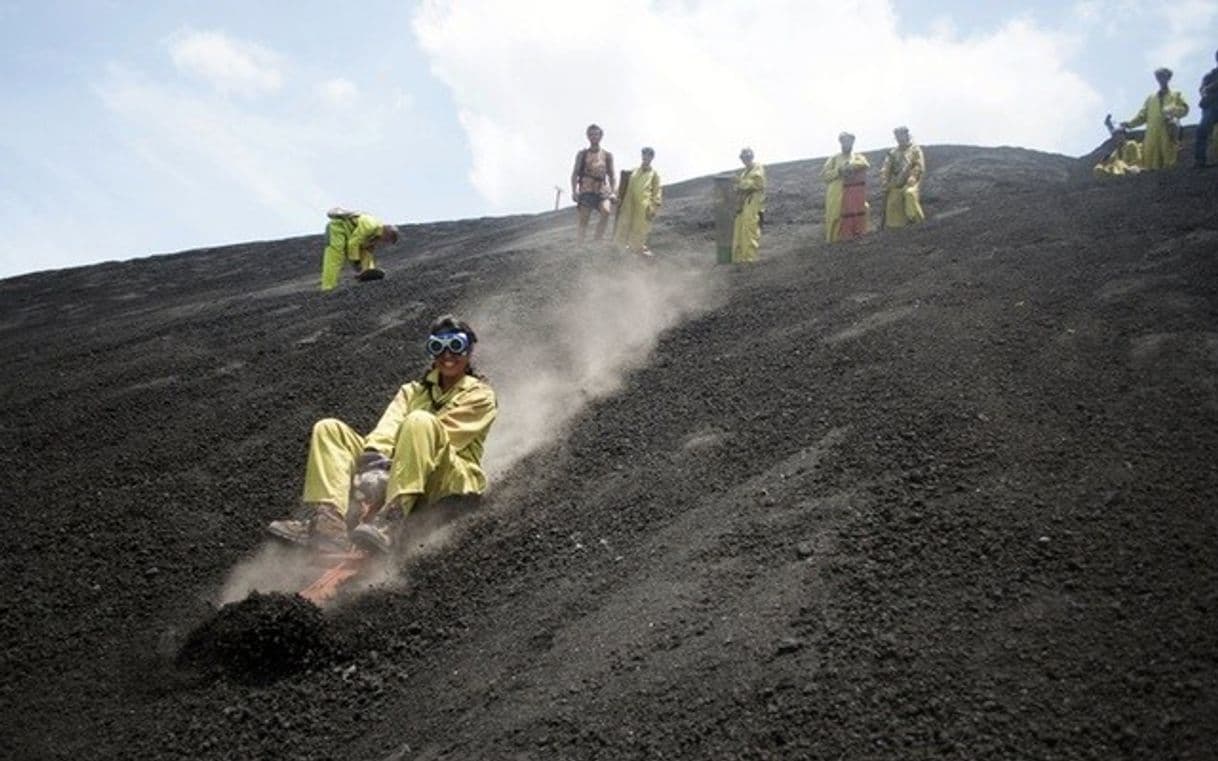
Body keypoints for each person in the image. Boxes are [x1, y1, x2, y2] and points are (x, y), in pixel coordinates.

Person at [267, 315, 497, 554]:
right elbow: (389, 425)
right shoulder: (412, 391)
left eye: (456, 346)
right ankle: (329, 524)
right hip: (399, 470)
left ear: (469, 351)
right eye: (438, 346)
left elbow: (445, 436)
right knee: (329, 429)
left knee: (419, 421)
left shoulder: (480, 395)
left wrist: (389, 469)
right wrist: (374, 458)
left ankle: (391, 522)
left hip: (448, 481)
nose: (447, 355)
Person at [1122, 67, 1189, 170]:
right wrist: (1129, 124)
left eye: (1163, 76)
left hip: (1168, 131)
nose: (1161, 79)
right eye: (1159, 77)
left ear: (1168, 78)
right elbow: (1142, 116)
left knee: (1169, 158)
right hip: (1152, 133)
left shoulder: (1176, 95)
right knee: (1151, 161)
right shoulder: (1151, 98)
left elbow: (1185, 109)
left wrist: (1172, 110)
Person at [319, 208, 399, 292]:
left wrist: (369, 270)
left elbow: (366, 250)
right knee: (336, 256)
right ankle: (328, 287)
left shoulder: (376, 235)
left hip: (350, 233)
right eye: (386, 241)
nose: (384, 243)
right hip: (337, 227)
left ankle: (367, 272)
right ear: (387, 234)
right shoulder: (370, 226)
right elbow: (353, 243)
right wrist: (356, 262)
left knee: (366, 251)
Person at [820, 132, 871, 242]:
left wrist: (851, 166)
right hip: (836, 194)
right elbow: (824, 175)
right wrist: (839, 171)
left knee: (863, 209)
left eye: (849, 141)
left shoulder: (857, 157)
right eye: (844, 141)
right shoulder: (834, 158)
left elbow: (865, 164)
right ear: (841, 142)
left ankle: (858, 235)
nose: (847, 143)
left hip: (853, 195)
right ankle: (833, 241)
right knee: (836, 215)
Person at [571, 124, 617, 243]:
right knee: (584, 219)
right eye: (591, 134)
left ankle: (597, 239)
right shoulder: (582, 154)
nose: (594, 137)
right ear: (588, 136)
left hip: (602, 189)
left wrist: (613, 192)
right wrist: (574, 191)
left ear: (600, 136)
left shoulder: (607, 155)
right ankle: (579, 245)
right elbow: (575, 173)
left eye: (596, 134)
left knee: (606, 211)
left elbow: (612, 175)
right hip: (586, 189)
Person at [613, 147, 663, 256]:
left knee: (639, 227)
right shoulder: (633, 171)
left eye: (649, 155)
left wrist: (654, 206)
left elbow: (657, 190)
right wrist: (616, 196)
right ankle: (618, 248)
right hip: (628, 202)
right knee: (623, 223)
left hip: (643, 204)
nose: (646, 157)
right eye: (644, 154)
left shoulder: (654, 174)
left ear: (652, 158)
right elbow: (623, 185)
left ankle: (635, 249)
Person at [880, 127, 926, 228]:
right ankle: (896, 227)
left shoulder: (915, 149)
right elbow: (886, 168)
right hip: (897, 182)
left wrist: (913, 176)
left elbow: (918, 165)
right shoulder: (893, 153)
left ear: (906, 135)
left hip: (911, 181)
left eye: (901, 135)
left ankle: (917, 221)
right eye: (897, 136)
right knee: (892, 201)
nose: (899, 138)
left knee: (909, 194)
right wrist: (884, 180)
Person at [731, 147, 766, 263]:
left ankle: (750, 259)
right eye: (743, 157)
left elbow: (757, 183)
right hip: (742, 205)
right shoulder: (743, 173)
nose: (745, 159)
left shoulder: (757, 168)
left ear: (751, 157)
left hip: (752, 203)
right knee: (739, 231)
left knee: (749, 230)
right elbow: (741, 187)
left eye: (747, 157)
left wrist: (740, 183)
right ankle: (739, 259)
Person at [1196, 49, 1218, 169]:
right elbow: (1202, 90)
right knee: (1201, 130)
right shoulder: (1210, 75)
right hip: (1211, 106)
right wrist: (1211, 88)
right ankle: (1200, 161)